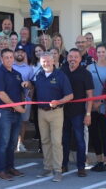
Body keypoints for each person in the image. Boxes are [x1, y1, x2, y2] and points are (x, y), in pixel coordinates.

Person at [34, 52, 73, 182]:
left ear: (54, 61)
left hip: (56, 112)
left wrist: (58, 101)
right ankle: (47, 167)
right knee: (45, 141)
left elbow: (70, 96)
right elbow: (34, 89)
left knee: (56, 142)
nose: (46, 63)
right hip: (41, 112)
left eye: (48, 61)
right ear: (40, 62)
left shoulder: (60, 75)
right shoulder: (38, 75)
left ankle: (58, 170)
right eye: (43, 61)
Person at [0, 48, 31, 180]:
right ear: (1, 59)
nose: (9, 59)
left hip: (17, 113)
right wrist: (17, 107)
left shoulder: (17, 74)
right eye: (6, 57)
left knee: (12, 142)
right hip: (5, 112)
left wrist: (28, 87)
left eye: (11, 57)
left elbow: (22, 91)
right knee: (3, 142)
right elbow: (1, 93)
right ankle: (1, 170)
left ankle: (10, 167)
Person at [61, 48, 94, 177]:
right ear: (67, 58)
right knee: (64, 140)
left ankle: (81, 166)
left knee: (80, 140)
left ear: (80, 59)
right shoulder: (62, 71)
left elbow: (90, 95)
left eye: (76, 57)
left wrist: (88, 113)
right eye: (71, 56)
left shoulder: (85, 73)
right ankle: (64, 165)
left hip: (79, 112)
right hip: (63, 112)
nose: (73, 59)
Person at [86, 44, 106, 172]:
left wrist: (100, 101)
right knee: (94, 134)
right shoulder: (90, 68)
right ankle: (99, 160)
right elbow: (86, 86)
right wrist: (92, 104)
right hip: (91, 107)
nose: (101, 54)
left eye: (103, 51)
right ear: (96, 53)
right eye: (99, 52)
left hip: (105, 107)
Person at [12, 45, 34, 152]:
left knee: (23, 122)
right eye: (17, 52)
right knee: (12, 121)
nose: (19, 54)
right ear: (14, 53)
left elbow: (32, 85)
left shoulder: (29, 68)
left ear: (24, 54)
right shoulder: (10, 65)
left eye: (22, 52)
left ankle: (20, 143)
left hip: (25, 99)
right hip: (11, 99)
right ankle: (12, 143)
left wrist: (28, 85)